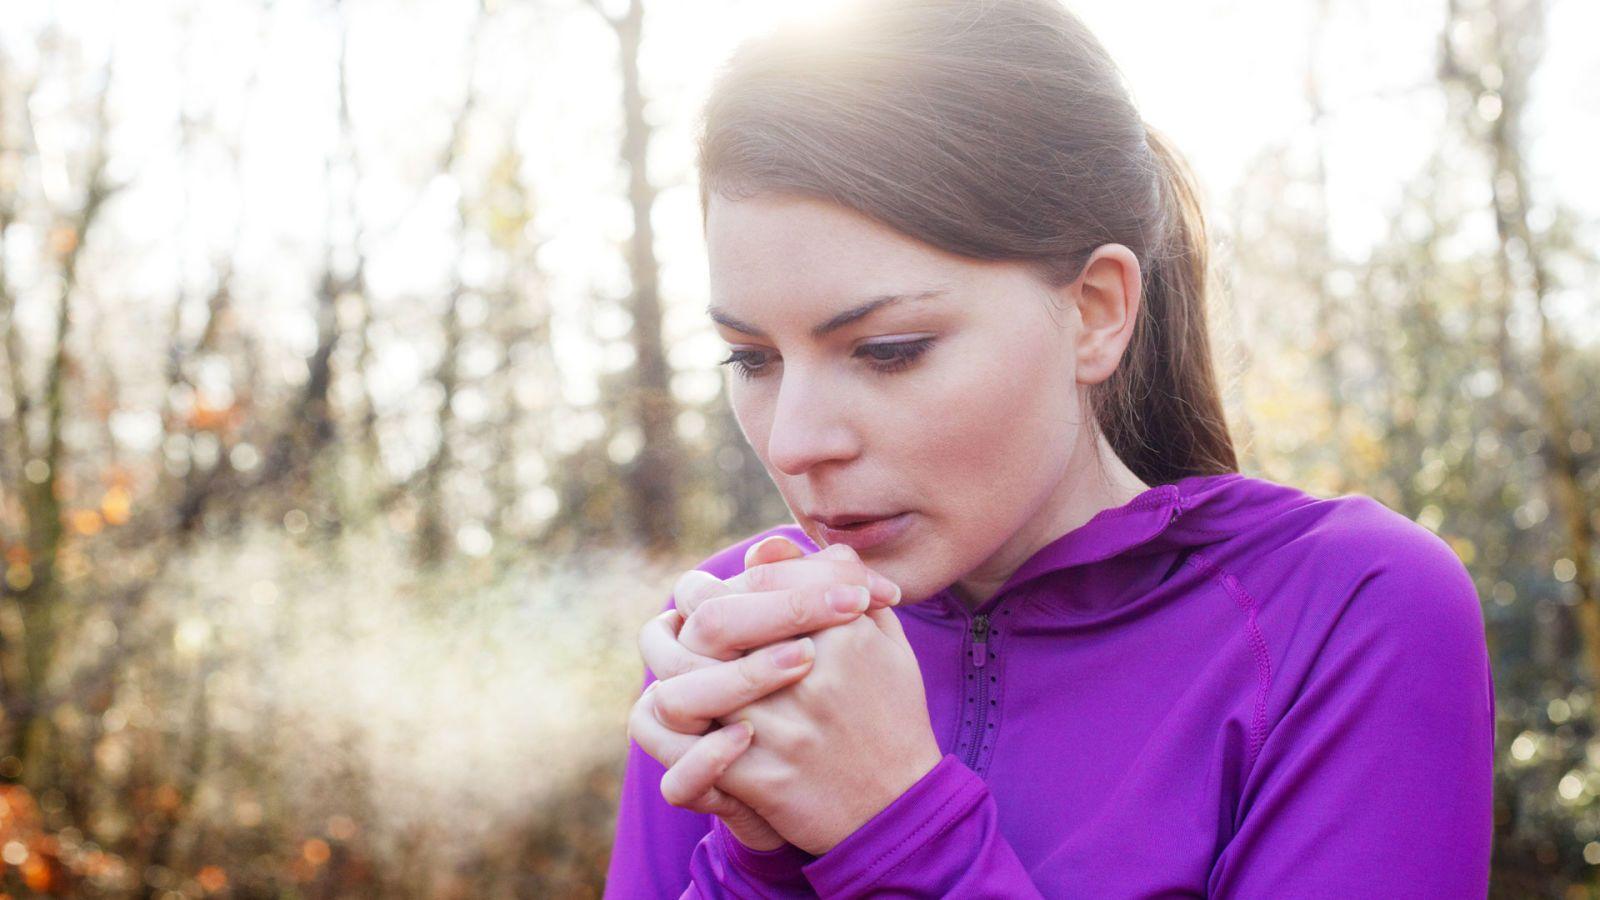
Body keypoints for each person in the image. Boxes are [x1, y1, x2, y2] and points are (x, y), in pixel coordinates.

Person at [604, 0, 1496, 895]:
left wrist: (896, 831)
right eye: (751, 358)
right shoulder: (730, 649)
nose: (794, 442)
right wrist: (760, 862)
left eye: (888, 351)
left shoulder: (1346, 612)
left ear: (1096, 311)